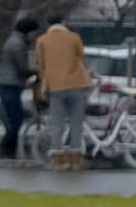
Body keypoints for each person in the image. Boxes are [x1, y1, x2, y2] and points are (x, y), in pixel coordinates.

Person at [27, 13, 91, 171]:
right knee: (76, 123)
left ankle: (58, 160)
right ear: (63, 22)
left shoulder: (42, 40)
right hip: (77, 84)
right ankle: (76, 160)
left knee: (57, 124)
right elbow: (82, 58)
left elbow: (41, 65)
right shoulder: (74, 37)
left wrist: (44, 84)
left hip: (55, 87)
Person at [0, 17, 34, 165]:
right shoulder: (17, 44)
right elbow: (22, 66)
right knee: (16, 121)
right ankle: (6, 150)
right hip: (10, 85)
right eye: (34, 33)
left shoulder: (13, 40)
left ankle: (9, 151)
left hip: (9, 84)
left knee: (15, 119)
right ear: (28, 31)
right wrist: (35, 73)